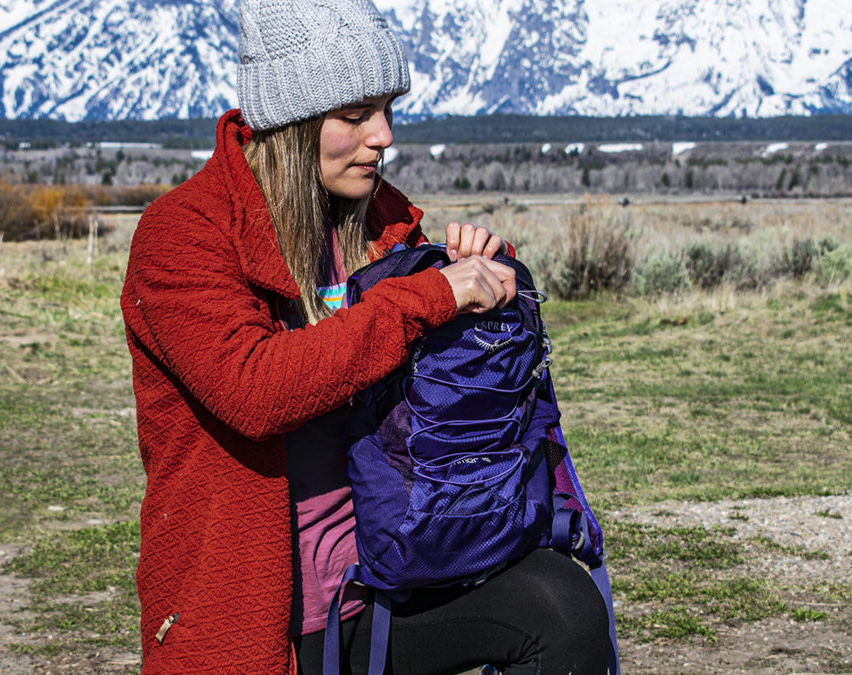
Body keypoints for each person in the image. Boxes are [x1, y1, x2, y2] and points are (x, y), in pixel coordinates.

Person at [120, 0, 609, 672]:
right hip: (256, 613)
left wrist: (479, 273)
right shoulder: (183, 235)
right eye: (354, 116)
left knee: (562, 608)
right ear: (289, 123)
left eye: (386, 110)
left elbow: (450, 357)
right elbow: (254, 389)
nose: (382, 136)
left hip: (392, 573)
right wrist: (431, 294)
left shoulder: (378, 221)